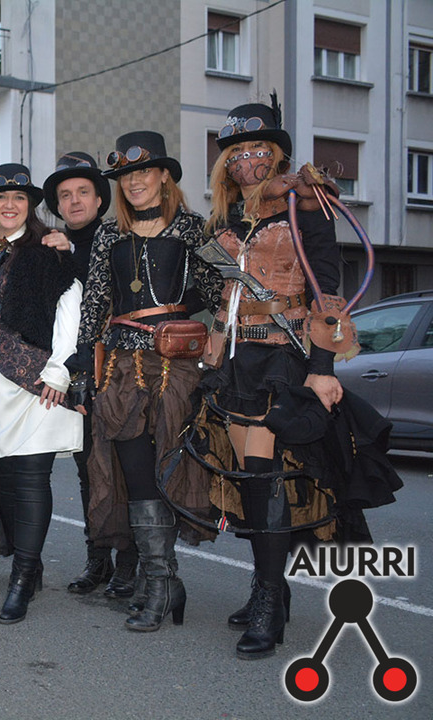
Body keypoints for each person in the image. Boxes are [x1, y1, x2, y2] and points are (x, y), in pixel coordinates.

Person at [196, 103, 344, 658]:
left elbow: (328, 293)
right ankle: (272, 589)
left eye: (258, 150)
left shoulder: (306, 208)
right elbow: (222, 294)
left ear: (277, 154)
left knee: (263, 476)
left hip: (284, 357)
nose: (247, 161)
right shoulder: (229, 219)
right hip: (236, 359)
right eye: (236, 153)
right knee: (249, 481)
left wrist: (323, 369)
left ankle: (267, 600)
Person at [75, 132, 220, 632]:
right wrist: (83, 367)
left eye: (143, 172)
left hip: (174, 368)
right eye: (126, 176)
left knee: (170, 472)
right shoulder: (108, 234)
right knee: (136, 476)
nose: (134, 182)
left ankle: (160, 583)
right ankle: (161, 581)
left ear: (163, 176)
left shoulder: (192, 228)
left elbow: (220, 289)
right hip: (121, 370)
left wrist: (181, 318)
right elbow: (95, 302)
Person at [0, 163, 83, 624]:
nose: (9, 205)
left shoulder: (48, 249)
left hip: (39, 380)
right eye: (1, 198)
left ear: (30, 205)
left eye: (18, 197)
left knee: (33, 480)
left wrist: (59, 371)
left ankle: (21, 579)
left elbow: (71, 304)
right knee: (6, 479)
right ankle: (28, 567)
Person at [42, 151, 139, 598]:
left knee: (123, 469)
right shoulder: (52, 247)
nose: (75, 201)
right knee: (88, 472)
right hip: (77, 375)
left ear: (100, 199)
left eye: (83, 192)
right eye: (66, 195)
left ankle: (130, 564)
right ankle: (97, 558)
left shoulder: (122, 240)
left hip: (121, 370)